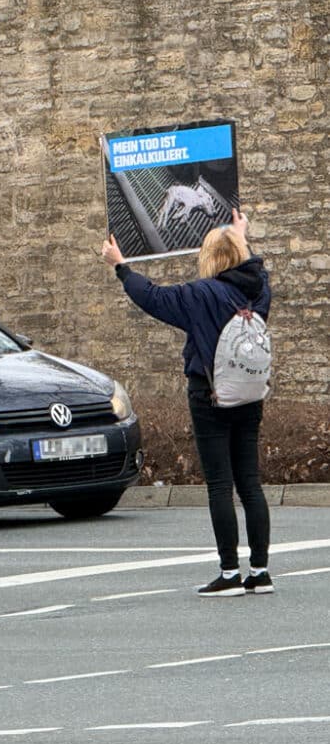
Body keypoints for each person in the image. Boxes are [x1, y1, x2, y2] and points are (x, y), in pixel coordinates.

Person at [101, 208, 271, 597]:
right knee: (250, 482)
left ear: (210, 259)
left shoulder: (201, 294)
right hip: (249, 394)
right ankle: (260, 572)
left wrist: (121, 266)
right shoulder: (259, 290)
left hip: (209, 394)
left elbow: (153, 298)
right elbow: (255, 268)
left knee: (219, 484)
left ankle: (229, 572)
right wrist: (240, 235)